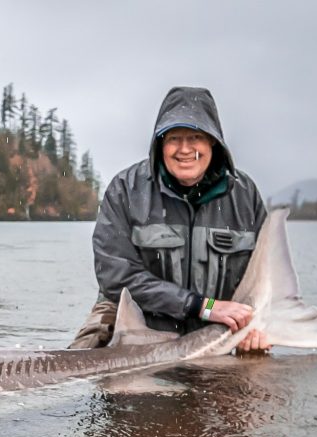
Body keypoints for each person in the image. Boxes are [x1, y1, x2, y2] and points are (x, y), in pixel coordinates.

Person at [69, 86, 269, 353]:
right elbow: (116, 277)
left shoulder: (245, 196)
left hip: (214, 328)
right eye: (174, 138)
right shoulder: (125, 189)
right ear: (160, 143)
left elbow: (263, 279)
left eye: (195, 136)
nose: (185, 149)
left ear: (213, 141)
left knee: (257, 371)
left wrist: (257, 326)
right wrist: (201, 306)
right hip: (130, 320)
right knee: (71, 373)